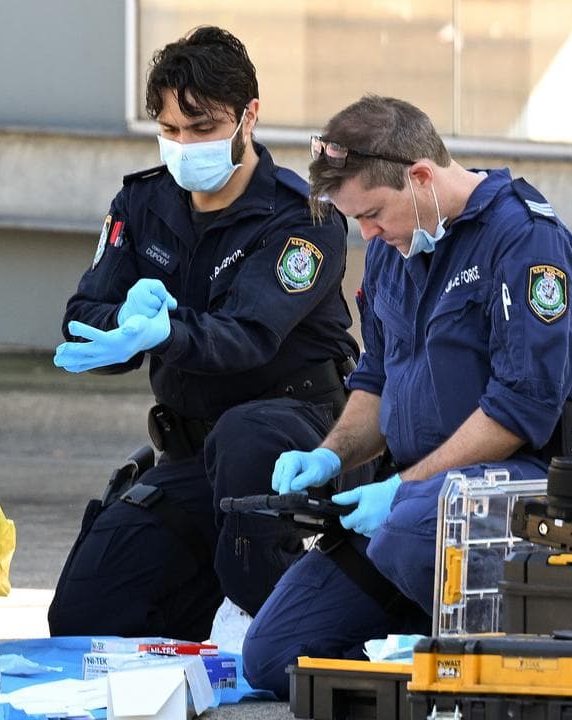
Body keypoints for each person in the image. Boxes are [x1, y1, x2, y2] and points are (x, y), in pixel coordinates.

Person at [241, 95, 572, 695]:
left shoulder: (526, 243)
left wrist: (403, 489)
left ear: (420, 176)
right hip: (420, 505)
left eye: (373, 213)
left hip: (533, 486)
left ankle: (496, 664)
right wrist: (330, 456)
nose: (367, 233)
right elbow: (375, 379)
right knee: (272, 657)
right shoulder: (396, 248)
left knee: (408, 532)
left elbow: (520, 409)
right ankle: (420, 650)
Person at [46, 26, 361, 642]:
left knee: (247, 438)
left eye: (203, 128)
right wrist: (122, 327)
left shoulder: (304, 218)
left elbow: (247, 335)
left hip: (293, 443)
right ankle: (209, 619)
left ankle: (270, 625)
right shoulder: (142, 204)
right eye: (170, 130)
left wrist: (164, 333)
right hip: (193, 454)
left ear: (249, 116)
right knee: (86, 614)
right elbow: (84, 315)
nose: (185, 147)